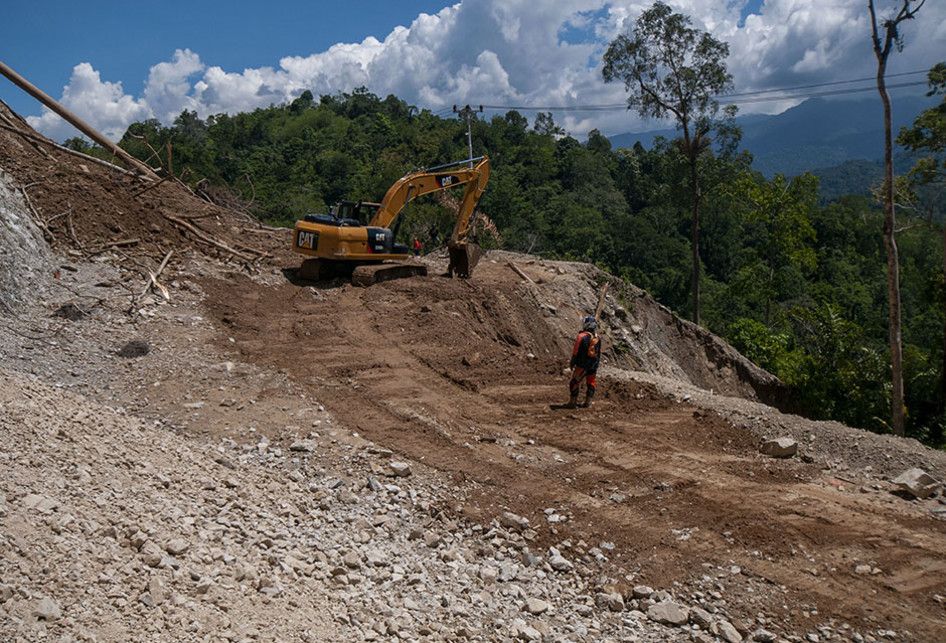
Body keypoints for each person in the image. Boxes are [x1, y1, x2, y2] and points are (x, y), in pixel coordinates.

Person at [567, 315, 601, 408]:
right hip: (593, 365)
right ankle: (588, 402)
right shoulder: (598, 337)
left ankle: (572, 402)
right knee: (591, 382)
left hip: (582, 364)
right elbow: (598, 353)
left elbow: (575, 351)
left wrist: (572, 362)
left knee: (574, 382)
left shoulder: (581, 336)